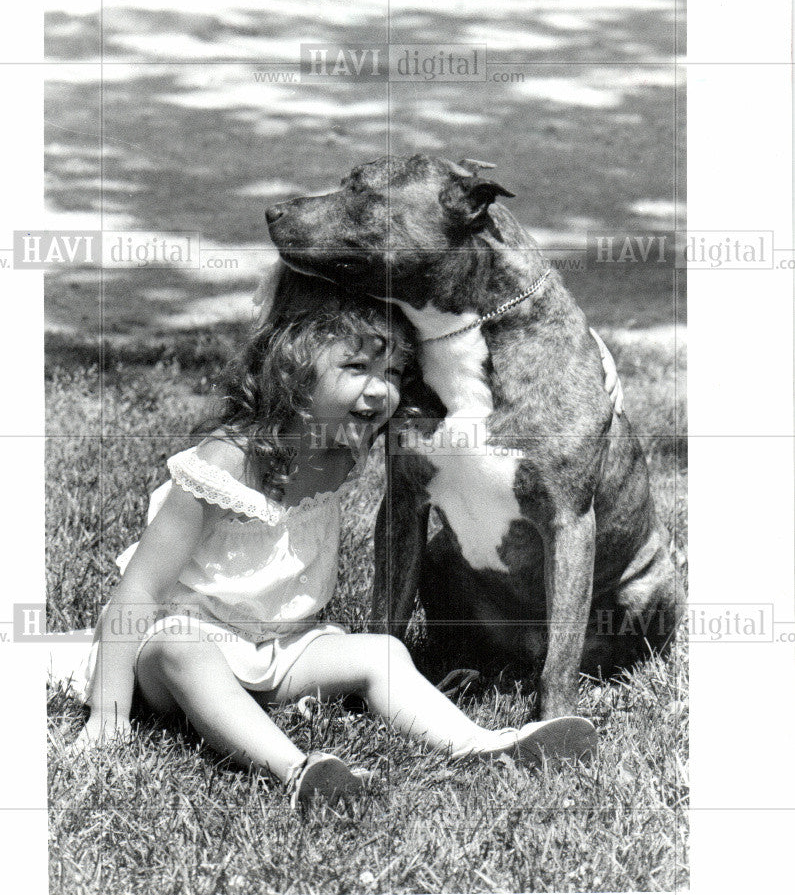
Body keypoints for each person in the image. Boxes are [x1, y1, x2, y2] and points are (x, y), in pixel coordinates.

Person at [75, 268, 621, 807]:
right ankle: (296, 770)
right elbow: (139, 592)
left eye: (395, 370)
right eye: (357, 366)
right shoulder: (227, 461)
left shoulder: (339, 451)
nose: (381, 390)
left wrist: (592, 369)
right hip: (173, 650)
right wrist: (107, 715)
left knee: (381, 652)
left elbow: (466, 401)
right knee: (185, 648)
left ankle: (482, 745)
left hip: (279, 649)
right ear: (290, 368)